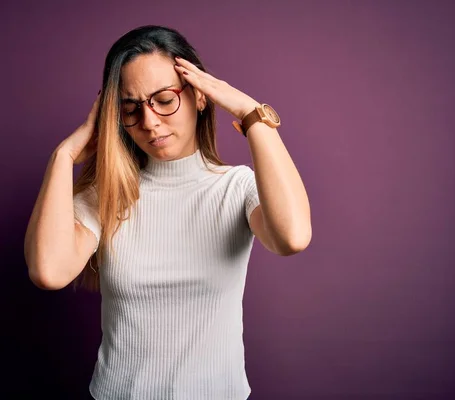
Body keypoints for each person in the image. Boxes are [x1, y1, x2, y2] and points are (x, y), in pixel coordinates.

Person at [24, 25, 311, 400]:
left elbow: (292, 237)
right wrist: (64, 157)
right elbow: (48, 271)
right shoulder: (106, 196)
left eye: (164, 99)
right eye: (131, 109)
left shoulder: (236, 188)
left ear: (200, 97)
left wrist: (249, 112)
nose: (149, 122)